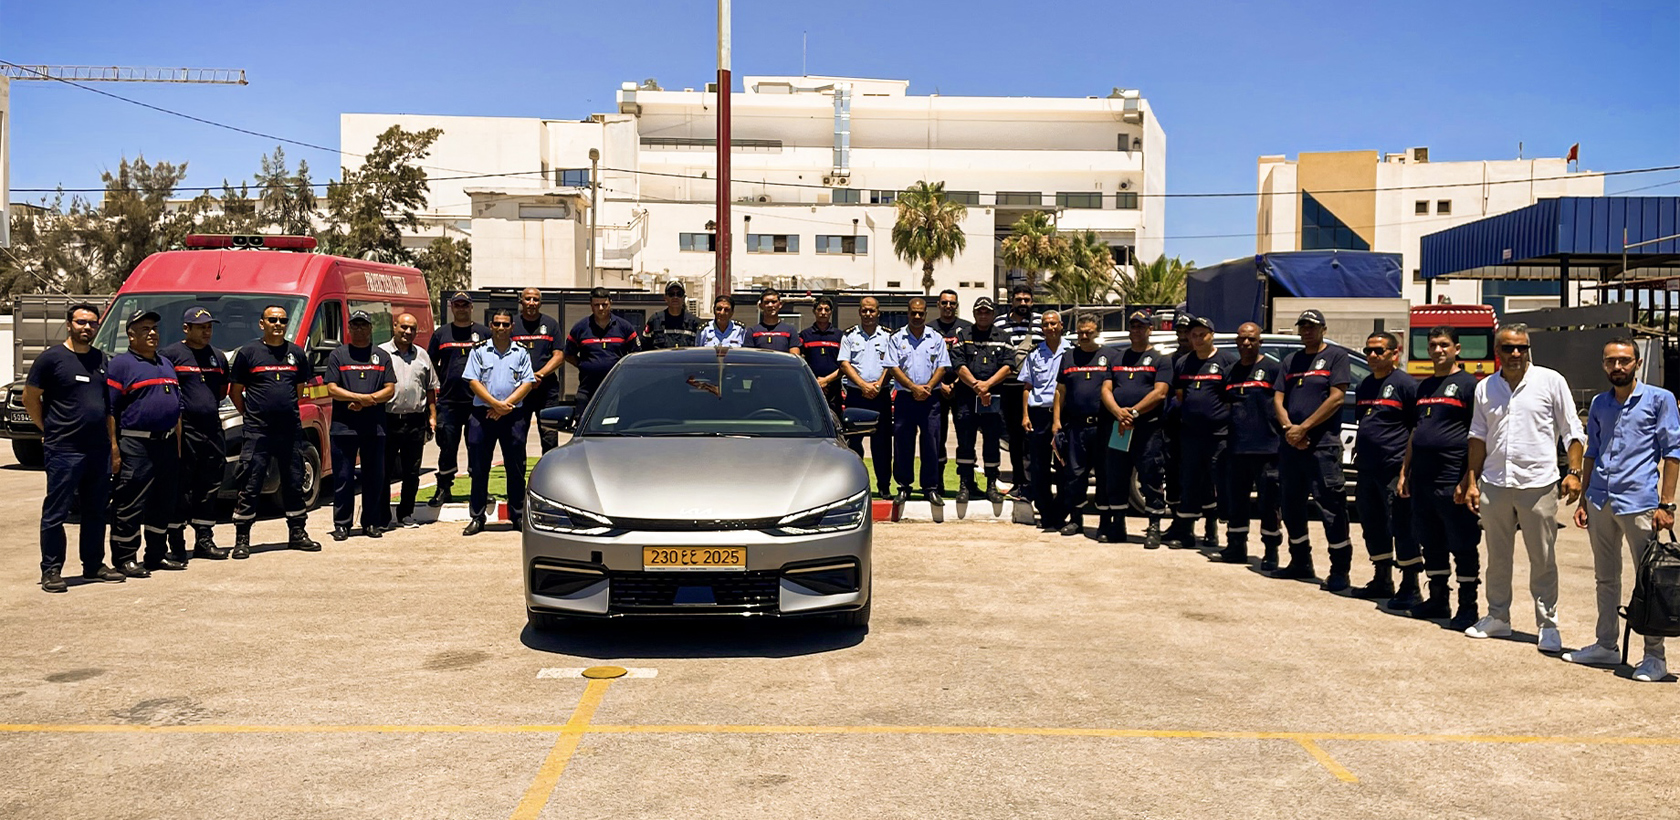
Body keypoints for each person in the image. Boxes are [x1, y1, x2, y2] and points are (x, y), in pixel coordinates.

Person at [1460, 323, 1585, 652]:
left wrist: (1574, 471)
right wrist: (1472, 480)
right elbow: (1477, 436)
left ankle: (1548, 625)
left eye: (1522, 348)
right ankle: (1498, 617)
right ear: (1497, 352)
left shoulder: (1550, 381)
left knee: (1542, 558)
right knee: (1497, 557)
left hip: (1538, 483)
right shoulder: (1485, 388)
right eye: (1509, 348)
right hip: (1495, 482)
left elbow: (1572, 430)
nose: (1516, 354)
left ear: (1529, 349)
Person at [1564, 338, 1679, 682]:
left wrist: (1667, 503)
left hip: (1640, 502)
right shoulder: (1600, 403)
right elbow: (1592, 452)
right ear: (1603, 365)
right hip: (1601, 499)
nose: (1617, 367)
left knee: (1650, 579)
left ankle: (1654, 657)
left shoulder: (1660, 400)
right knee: (1605, 577)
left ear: (1637, 363)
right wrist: (1584, 498)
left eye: (1624, 361)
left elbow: (1673, 452)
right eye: (1611, 361)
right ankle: (1606, 644)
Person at [27, 304, 122, 592]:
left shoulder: (100, 359)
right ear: (69, 324)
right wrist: (48, 429)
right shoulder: (51, 359)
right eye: (81, 322)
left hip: (97, 450)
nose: (87, 328)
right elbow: (31, 399)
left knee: (95, 511)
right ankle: (52, 570)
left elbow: (107, 409)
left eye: (92, 323)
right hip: (64, 450)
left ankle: (93, 566)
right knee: (57, 511)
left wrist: (113, 447)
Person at [1398, 326, 1484, 625]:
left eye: (1444, 345)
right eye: (1433, 345)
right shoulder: (1423, 387)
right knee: (1431, 542)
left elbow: (1479, 436)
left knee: (1462, 544)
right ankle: (1437, 600)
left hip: (1453, 481)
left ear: (1457, 349)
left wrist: (1469, 479)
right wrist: (1404, 471)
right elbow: (1415, 431)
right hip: (1422, 480)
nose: (1438, 350)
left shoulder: (1469, 385)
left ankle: (1468, 606)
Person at [228, 304, 321, 557]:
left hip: (289, 430)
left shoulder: (296, 354)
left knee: (294, 480)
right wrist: (251, 414)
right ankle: (242, 539)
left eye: (282, 320)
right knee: (251, 481)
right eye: (272, 320)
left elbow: (300, 388)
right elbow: (234, 392)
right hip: (258, 431)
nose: (278, 324)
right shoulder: (248, 353)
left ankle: (297, 533)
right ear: (262, 324)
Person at [1273, 309, 1353, 589]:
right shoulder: (1291, 360)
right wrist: (1289, 429)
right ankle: (1299, 562)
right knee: (1291, 505)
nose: (1307, 331)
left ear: (1323, 329)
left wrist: (1303, 428)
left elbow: (1337, 398)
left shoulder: (1336, 357)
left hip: (1322, 446)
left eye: (1312, 326)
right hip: (1291, 445)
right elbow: (1279, 397)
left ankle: (1340, 570)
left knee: (1331, 507)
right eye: (1303, 326)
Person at [105, 309, 185, 577]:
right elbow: (111, 411)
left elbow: (176, 409)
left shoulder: (166, 363)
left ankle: (156, 555)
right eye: (144, 329)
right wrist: (114, 449)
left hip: (165, 444)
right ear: (130, 335)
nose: (152, 333)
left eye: (154, 328)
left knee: (163, 502)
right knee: (130, 501)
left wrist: (177, 444)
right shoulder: (121, 365)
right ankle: (125, 557)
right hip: (136, 445)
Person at [1351, 332, 1421, 603]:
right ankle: (1382, 579)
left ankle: (1410, 585)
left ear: (1395, 354)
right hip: (1368, 468)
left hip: (1395, 468)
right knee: (1373, 523)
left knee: (1402, 525)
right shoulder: (1365, 385)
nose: (1372, 356)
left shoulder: (1406, 385)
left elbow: (1416, 427)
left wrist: (1407, 470)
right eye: (1368, 350)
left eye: (1379, 351)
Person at [161, 306, 230, 561]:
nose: (206, 332)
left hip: (211, 429)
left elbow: (222, 392)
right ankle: (176, 542)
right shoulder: (170, 356)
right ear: (186, 328)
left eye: (209, 327)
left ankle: (204, 539)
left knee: (209, 485)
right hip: (184, 430)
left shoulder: (218, 357)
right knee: (182, 487)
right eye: (201, 327)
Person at [323, 310, 397, 541]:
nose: (359, 330)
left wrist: (369, 400)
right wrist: (357, 397)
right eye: (355, 326)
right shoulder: (338, 355)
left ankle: (371, 522)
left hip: (374, 427)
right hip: (344, 427)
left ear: (370, 328)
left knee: (374, 477)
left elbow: (390, 388)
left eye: (363, 325)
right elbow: (332, 388)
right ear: (349, 329)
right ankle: (342, 524)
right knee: (343, 477)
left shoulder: (381, 356)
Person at [463, 308, 537, 536]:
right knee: (479, 468)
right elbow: (473, 381)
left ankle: (516, 515)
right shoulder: (479, 351)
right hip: (482, 415)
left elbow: (527, 382)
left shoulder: (521, 353)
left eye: (506, 324)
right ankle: (477, 517)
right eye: (497, 324)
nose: (501, 328)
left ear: (512, 327)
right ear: (491, 326)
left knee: (515, 467)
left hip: (512, 416)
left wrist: (505, 407)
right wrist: (495, 404)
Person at [1166, 316, 1238, 550]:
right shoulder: (1183, 363)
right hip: (1189, 435)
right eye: (1193, 335)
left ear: (1212, 335)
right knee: (1190, 482)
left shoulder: (1226, 361)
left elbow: (1231, 400)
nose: (1197, 339)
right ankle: (1186, 532)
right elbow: (1180, 395)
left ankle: (1213, 531)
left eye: (1202, 335)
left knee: (1217, 483)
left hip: (1218, 435)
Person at [1219, 322, 1284, 566]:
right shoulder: (1230, 372)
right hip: (1236, 448)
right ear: (1237, 341)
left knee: (1269, 503)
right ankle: (1236, 546)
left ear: (1260, 342)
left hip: (1267, 448)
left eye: (1252, 339)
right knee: (1237, 501)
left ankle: (1271, 551)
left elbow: (1282, 404)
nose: (1247, 343)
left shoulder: (1272, 369)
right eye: (1242, 339)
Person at [1107, 310, 1172, 548]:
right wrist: (1118, 413)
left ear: (1150, 330)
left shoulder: (1160, 359)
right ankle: (1118, 524)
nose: (1137, 330)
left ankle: (1154, 525)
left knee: (1151, 476)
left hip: (1148, 429)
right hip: (1120, 427)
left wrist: (1133, 412)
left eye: (1141, 326)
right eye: (1133, 326)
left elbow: (1161, 392)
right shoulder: (1117, 358)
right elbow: (1106, 389)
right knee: (1118, 475)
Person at [1053, 314, 1118, 537]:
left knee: (1104, 474)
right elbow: (1060, 391)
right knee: (1075, 474)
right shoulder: (1069, 357)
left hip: (1103, 427)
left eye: (1088, 332)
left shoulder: (1110, 356)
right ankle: (1076, 520)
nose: (1083, 336)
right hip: (1076, 427)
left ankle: (1104, 523)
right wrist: (1056, 421)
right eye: (1080, 332)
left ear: (1097, 333)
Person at [885, 296, 951, 510]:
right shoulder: (896, 338)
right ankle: (904, 486)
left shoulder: (936, 338)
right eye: (913, 312)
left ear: (926, 314)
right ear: (908, 313)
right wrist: (913, 388)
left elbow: (943, 366)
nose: (916, 316)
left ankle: (930, 488)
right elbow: (893, 367)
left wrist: (928, 388)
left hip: (931, 398)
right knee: (903, 442)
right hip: (906, 397)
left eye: (920, 313)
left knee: (931, 442)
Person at [427, 292, 490, 506]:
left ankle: (480, 490)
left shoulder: (484, 333)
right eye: (457, 305)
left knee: (478, 446)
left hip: (477, 402)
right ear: (451, 307)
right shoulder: (441, 334)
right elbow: (430, 365)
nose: (461, 308)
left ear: (471, 307)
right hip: (449, 402)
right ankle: (444, 488)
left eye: (465, 305)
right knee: (447, 447)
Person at [950, 297, 1014, 506]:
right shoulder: (964, 335)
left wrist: (987, 386)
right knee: (965, 442)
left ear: (993, 314)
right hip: (967, 397)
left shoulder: (1003, 337)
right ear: (975, 313)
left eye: (987, 312)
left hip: (993, 398)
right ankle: (966, 483)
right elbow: (958, 364)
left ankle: (991, 484)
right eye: (980, 312)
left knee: (992, 442)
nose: (983, 315)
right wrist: (977, 386)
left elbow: (1008, 366)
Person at [380, 313, 438, 528]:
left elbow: (430, 388)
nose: (407, 332)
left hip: (415, 420)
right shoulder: (381, 353)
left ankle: (406, 514)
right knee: (383, 471)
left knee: (412, 472)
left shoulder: (422, 355)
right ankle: (383, 516)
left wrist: (432, 416)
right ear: (394, 326)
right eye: (403, 327)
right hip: (388, 419)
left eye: (412, 328)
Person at [1020, 310, 1071, 530]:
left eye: (1053, 324)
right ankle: (1046, 512)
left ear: (1061, 326)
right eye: (1045, 325)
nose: (1049, 328)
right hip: (1039, 414)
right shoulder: (1034, 354)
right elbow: (1027, 387)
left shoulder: (1072, 352)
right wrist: (1025, 415)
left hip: (1065, 415)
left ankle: (1060, 513)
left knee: (1064, 467)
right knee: (1039, 467)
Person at [839, 296, 895, 497]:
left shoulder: (888, 336)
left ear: (878, 312)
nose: (868, 314)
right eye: (864, 310)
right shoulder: (850, 336)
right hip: (856, 395)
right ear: (859, 312)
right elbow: (845, 364)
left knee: (882, 445)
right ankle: (855, 487)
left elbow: (891, 364)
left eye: (872, 311)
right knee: (854, 445)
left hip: (881, 395)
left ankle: (884, 486)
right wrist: (863, 385)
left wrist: (878, 385)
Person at [996, 285, 1043, 501]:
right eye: (1019, 299)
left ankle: (1034, 483)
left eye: (1027, 299)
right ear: (1012, 301)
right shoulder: (998, 323)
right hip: (1008, 388)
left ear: (1032, 301)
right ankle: (1018, 482)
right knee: (1014, 439)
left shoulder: (1041, 323)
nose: (1023, 303)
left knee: (1032, 439)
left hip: (1034, 389)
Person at [563, 287, 639, 416]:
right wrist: (584, 365)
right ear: (591, 306)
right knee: (582, 422)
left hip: (618, 387)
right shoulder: (580, 327)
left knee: (616, 423)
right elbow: (568, 354)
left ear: (610, 303)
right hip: (587, 388)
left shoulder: (624, 327)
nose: (601, 308)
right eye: (596, 305)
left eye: (604, 304)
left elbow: (635, 355)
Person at [512, 288, 566, 452]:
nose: (531, 303)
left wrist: (540, 374)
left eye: (535, 300)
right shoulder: (512, 325)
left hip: (546, 390)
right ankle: (517, 477)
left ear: (540, 303)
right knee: (517, 437)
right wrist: (526, 378)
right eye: (528, 299)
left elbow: (559, 355)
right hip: (519, 390)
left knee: (549, 437)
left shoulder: (550, 324)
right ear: (521, 301)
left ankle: (548, 474)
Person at [932, 290, 972, 482]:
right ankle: (936, 480)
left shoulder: (966, 329)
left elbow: (971, 361)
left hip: (962, 390)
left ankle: (967, 480)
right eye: (945, 303)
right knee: (937, 437)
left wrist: (956, 383)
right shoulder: (929, 329)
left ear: (957, 306)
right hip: (936, 390)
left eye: (952, 304)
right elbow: (925, 362)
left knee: (966, 436)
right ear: (938, 305)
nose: (948, 307)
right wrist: (940, 384)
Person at [799, 296, 844, 415]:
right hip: (811, 386)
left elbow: (845, 365)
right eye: (820, 309)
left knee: (835, 420)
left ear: (831, 312)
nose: (823, 312)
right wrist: (816, 382)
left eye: (826, 309)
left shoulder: (839, 335)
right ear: (814, 311)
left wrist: (826, 381)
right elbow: (800, 362)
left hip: (834, 388)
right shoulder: (805, 335)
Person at [642, 281, 702, 350]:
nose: (675, 297)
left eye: (679, 294)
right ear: (665, 298)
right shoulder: (654, 321)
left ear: (684, 298)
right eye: (671, 294)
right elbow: (644, 348)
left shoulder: (694, 323)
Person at [743, 287, 800, 355]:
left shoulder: (790, 330)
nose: (770, 305)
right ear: (761, 306)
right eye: (767, 302)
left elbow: (794, 358)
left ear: (780, 305)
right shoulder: (752, 331)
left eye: (773, 302)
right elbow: (749, 357)